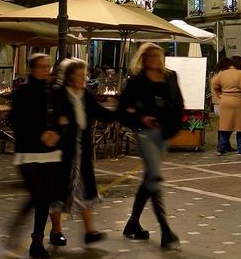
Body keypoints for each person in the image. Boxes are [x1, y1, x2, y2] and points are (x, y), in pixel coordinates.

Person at [118, 42, 183, 247]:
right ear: (144, 59)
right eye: (151, 56)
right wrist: (140, 117)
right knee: (154, 177)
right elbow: (124, 108)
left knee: (149, 179)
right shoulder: (137, 81)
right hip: (145, 133)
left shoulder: (170, 77)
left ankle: (132, 224)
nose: (155, 60)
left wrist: (174, 126)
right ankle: (165, 230)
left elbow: (178, 103)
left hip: (163, 133)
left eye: (158, 56)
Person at [10, 53, 65, 259]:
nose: (45, 70)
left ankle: (37, 240)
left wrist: (56, 133)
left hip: (50, 151)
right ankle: (21, 226)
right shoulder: (22, 92)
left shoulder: (55, 91)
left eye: (47, 66)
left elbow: (61, 117)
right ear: (31, 69)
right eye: (41, 66)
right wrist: (40, 133)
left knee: (44, 198)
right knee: (38, 194)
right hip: (28, 151)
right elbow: (17, 121)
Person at [54, 58, 108, 246]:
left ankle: (89, 232)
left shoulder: (85, 96)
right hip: (63, 151)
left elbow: (102, 113)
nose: (83, 78)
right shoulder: (60, 95)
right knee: (60, 191)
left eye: (84, 74)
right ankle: (56, 231)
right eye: (78, 75)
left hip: (82, 151)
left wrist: (127, 114)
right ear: (69, 77)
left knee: (84, 189)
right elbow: (54, 118)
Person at [211, 56, 241, 155]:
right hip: (240, 102)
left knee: (225, 126)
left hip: (225, 101)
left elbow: (215, 84)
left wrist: (220, 94)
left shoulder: (223, 73)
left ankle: (221, 149)